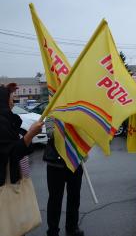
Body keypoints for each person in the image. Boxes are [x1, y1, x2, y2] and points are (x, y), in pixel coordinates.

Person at [0, 85, 44, 234]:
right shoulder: (2, 122)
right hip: (5, 182)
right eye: (11, 97)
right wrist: (30, 134)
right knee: (9, 224)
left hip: (13, 177)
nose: (13, 101)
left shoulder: (7, 119)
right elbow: (11, 153)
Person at [43, 122, 85, 236]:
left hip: (75, 161)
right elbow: (50, 133)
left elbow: (85, 133)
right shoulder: (53, 110)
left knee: (74, 196)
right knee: (55, 199)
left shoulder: (78, 111)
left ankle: (72, 227)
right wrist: (67, 128)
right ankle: (53, 230)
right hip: (55, 164)